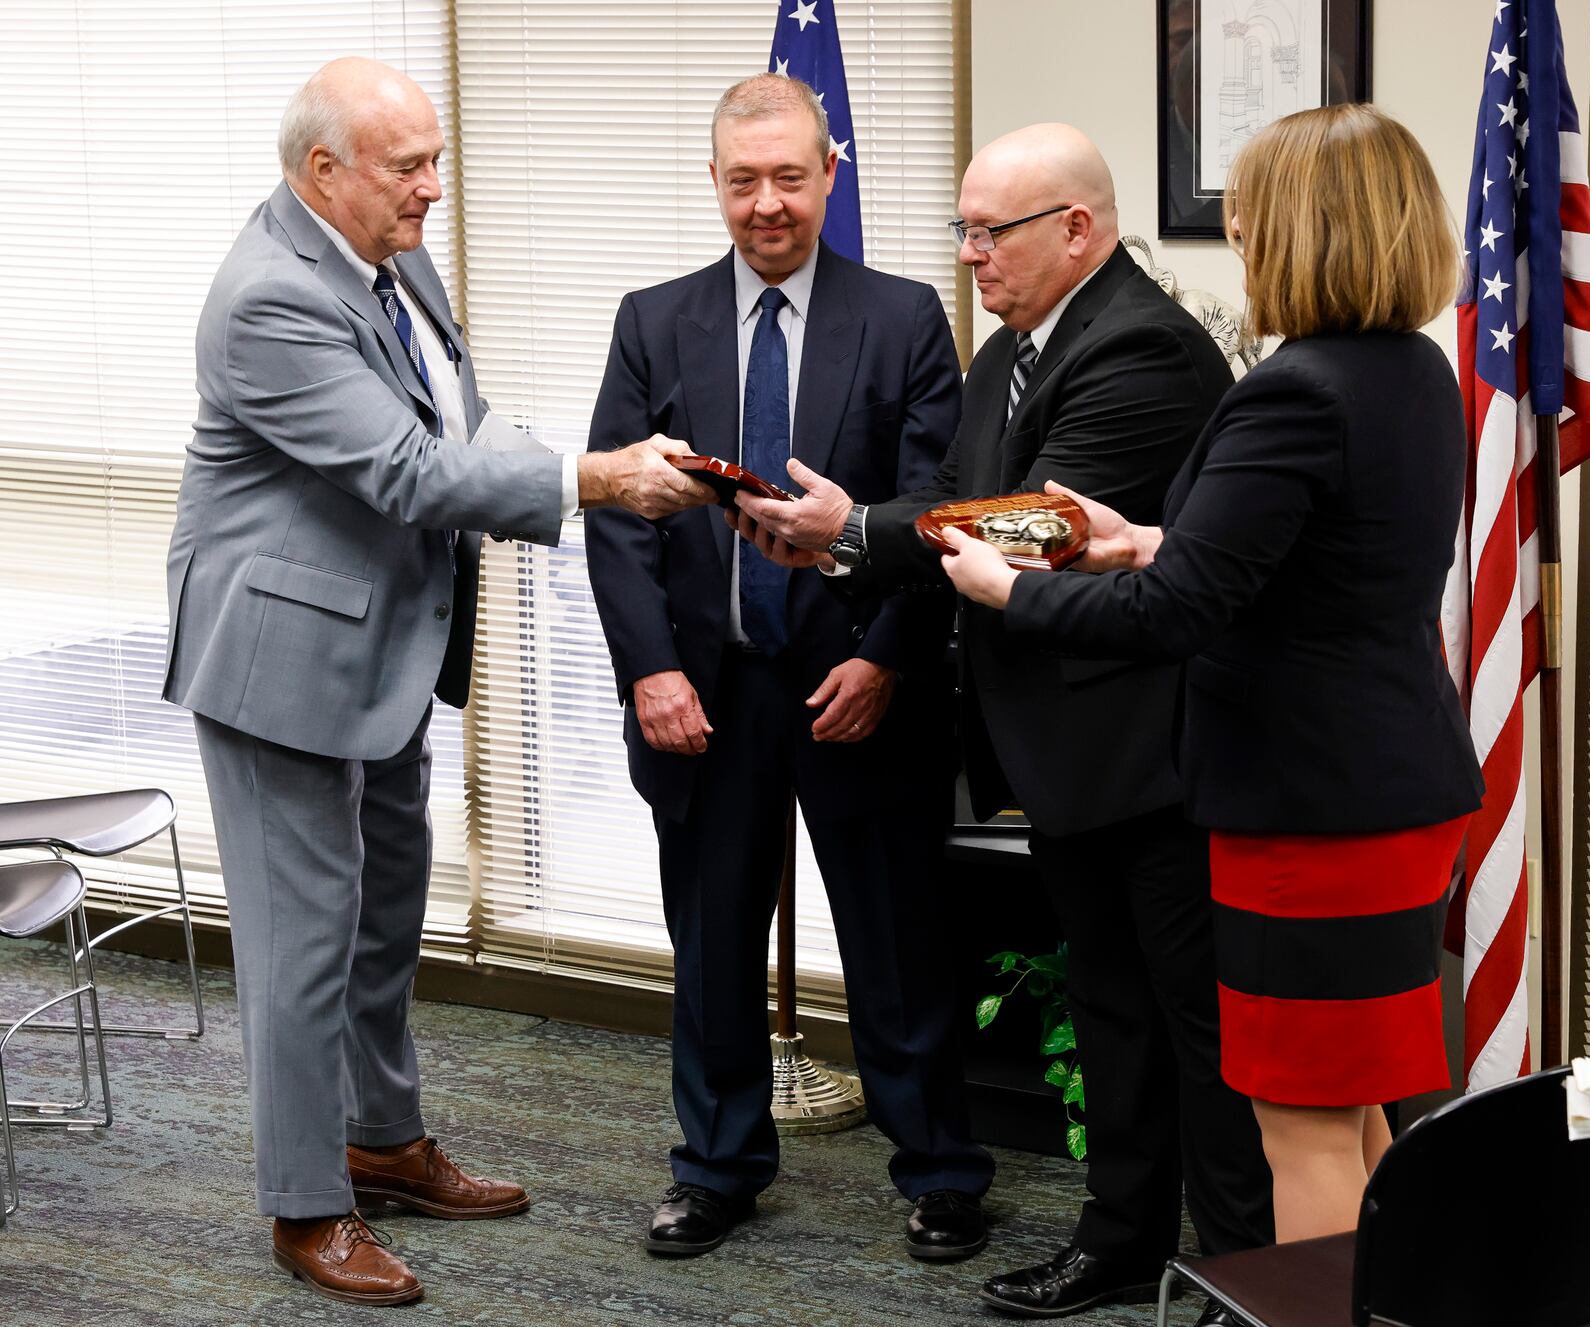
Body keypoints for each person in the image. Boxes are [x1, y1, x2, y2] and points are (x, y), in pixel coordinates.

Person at [163, 58, 711, 1306]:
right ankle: (307, 1204)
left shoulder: (392, 257)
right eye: (406, 165)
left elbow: (456, 423)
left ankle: (384, 1141)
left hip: (385, 645)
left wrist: (610, 463)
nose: (433, 188)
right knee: (304, 946)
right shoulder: (267, 301)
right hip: (279, 664)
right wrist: (597, 479)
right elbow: (408, 474)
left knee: (383, 918)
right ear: (322, 174)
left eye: (436, 157)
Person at [734, 123, 1272, 1324]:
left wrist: (855, 533)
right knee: (1112, 1013)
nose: (970, 254)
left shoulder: (1139, 349)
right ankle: (1126, 1242)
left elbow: (1033, 527)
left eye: (993, 231)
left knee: (1198, 1035)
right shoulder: (1013, 348)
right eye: (962, 229)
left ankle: (1245, 1278)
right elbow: (958, 504)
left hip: (1153, 759)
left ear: (1075, 229)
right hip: (1070, 759)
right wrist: (863, 521)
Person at [939, 103, 1484, 1249]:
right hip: (1393, 789)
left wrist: (1013, 589)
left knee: (1303, 1128)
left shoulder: (1294, 389)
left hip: (1307, 814)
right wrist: (1137, 534)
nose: (1233, 228)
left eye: (1246, 208)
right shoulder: (1413, 372)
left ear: (1297, 228)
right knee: (1355, 1109)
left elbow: (1179, 613)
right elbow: (1308, 563)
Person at [583, 72, 994, 1261]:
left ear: (830, 176)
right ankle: (714, 1167)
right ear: (713, 183)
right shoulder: (653, 321)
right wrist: (649, 672)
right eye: (744, 179)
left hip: (855, 686)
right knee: (711, 938)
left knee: (896, 939)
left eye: (791, 177)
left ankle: (941, 1170)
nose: (769, 203)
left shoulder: (905, 315)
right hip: (704, 693)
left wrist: (886, 659)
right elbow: (616, 513)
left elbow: (940, 512)